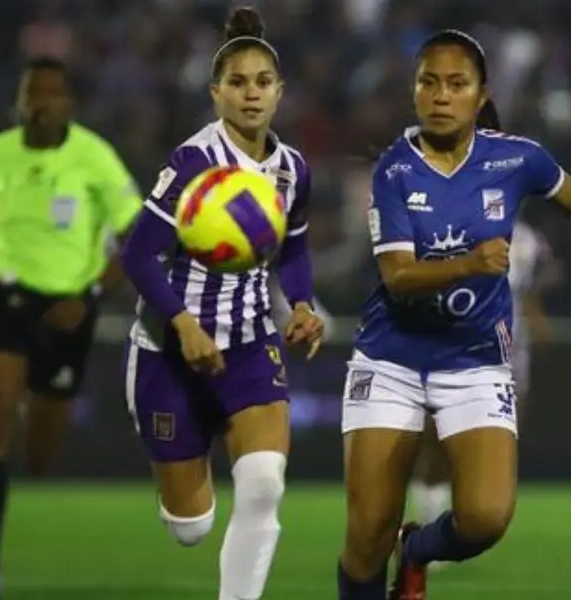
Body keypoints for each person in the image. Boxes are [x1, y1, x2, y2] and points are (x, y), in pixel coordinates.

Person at [336, 30, 571, 600]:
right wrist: (471, 263)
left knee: (486, 518)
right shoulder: (395, 171)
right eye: (429, 82)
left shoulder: (515, 158)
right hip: (391, 357)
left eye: (457, 84)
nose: (441, 95)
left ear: (481, 95)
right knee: (366, 530)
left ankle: (419, 550)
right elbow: (398, 277)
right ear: (415, 91)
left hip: (475, 360)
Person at [119, 8, 324, 600]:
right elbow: (137, 257)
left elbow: (295, 249)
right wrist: (183, 324)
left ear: (280, 92)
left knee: (263, 483)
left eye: (263, 82)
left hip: (250, 344)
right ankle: (179, 486)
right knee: (193, 528)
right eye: (238, 82)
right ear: (216, 94)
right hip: (169, 351)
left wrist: (304, 305)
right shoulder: (192, 164)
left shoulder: (292, 170)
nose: (251, 93)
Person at [0, 57, 144, 600]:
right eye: (32, 94)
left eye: (51, 94)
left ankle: (32, 412)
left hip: (70, 306)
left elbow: (137, 235)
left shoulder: (96, 159)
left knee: (42, 453)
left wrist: (93, 293)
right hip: (2, 296)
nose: (40, 104)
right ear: (19, 100)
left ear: (68, 104)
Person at [407, 220, 552, 546]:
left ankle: (467, 521)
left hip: (511, 358)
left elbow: (529, 292)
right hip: (455, 353)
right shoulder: (451, 227)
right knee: (438, 443)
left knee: (500, 447)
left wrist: (536, 318)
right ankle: (429, 519)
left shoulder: (529, 240)